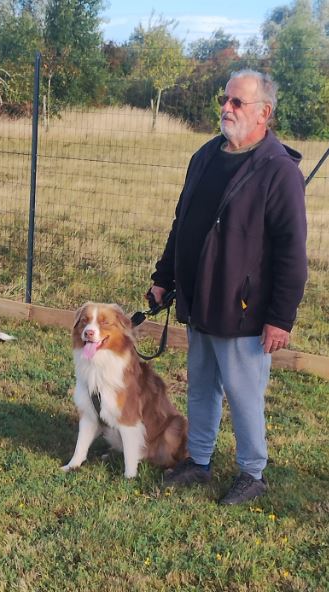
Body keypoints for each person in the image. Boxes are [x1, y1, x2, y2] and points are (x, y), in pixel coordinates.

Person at [149, 69, 307, 505]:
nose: (227, 108)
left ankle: (252, 473)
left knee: (243, 395)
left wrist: (280, 317)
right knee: (201, 387)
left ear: (264, 113)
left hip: (243, 310)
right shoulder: (205, 156)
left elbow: (292, 253)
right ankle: (199, 462)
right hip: (200, 300)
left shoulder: (279, 171)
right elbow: (182, 224)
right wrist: (164, 278)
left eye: (238, 102)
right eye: (225, 99)